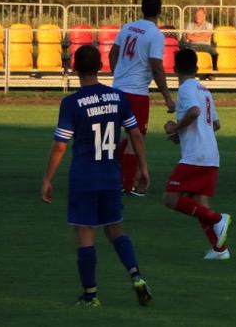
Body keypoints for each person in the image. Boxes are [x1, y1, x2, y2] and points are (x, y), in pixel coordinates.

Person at [41, 44, 153, 307]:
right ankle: (136, 275)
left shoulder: (71, 103)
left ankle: (91, 295)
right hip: (111, 177)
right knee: (115, 230)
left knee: (85, 234)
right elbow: (135, 134)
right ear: (101, 67)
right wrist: (143, 167)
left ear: (74, 68)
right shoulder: (118, 97)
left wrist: (47, 179)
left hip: (84, 177)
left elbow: (60, 145)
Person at [163, 49, 233, 259]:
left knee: (170, 198)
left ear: (174, 69)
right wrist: (181, 134)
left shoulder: (185, 88)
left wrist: (175, 127)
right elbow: (216, 124)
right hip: (211, 154)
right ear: (196, 68)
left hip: (196, 155)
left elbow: (194, 112)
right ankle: (220, 250)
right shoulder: (204, 89)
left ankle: (218, 219)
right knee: (199, 203)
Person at [109, 0, 174, 195]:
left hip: (118, 89)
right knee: (136, 138)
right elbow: (156, 67)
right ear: (160, 11)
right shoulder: (155, 34)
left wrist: (118, 75)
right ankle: (127, 183)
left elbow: (112, 53)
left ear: (141, 9)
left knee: (121, 136)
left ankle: (115, 177)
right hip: (136, 92)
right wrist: (167, 97)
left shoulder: (127, 27)